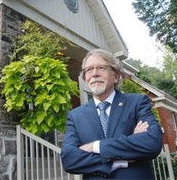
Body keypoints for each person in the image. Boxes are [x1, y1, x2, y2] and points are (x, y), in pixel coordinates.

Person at [60, 49, 163, 179]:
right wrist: (123, 157)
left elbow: (151, 143)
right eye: (89, 70)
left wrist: (94, 146)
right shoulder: (75, 115)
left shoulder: (137, 102)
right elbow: (69, 160)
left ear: (116, 76)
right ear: (85, 78)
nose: (95, 74)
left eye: (101, 68)